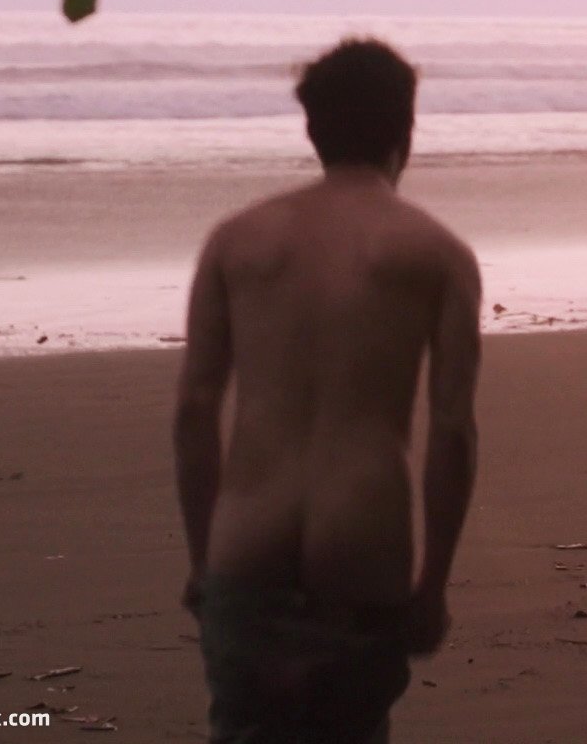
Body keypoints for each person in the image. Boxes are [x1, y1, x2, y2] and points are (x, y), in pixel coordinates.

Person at [172, 38, 482, 744]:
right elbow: (453, 429)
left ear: (312, 130)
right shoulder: (437, 252)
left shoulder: (236, 241)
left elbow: (194, 410)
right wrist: (433, 585)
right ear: (406, 131)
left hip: (246, 542)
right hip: (362, 546)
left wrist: (202, 563)